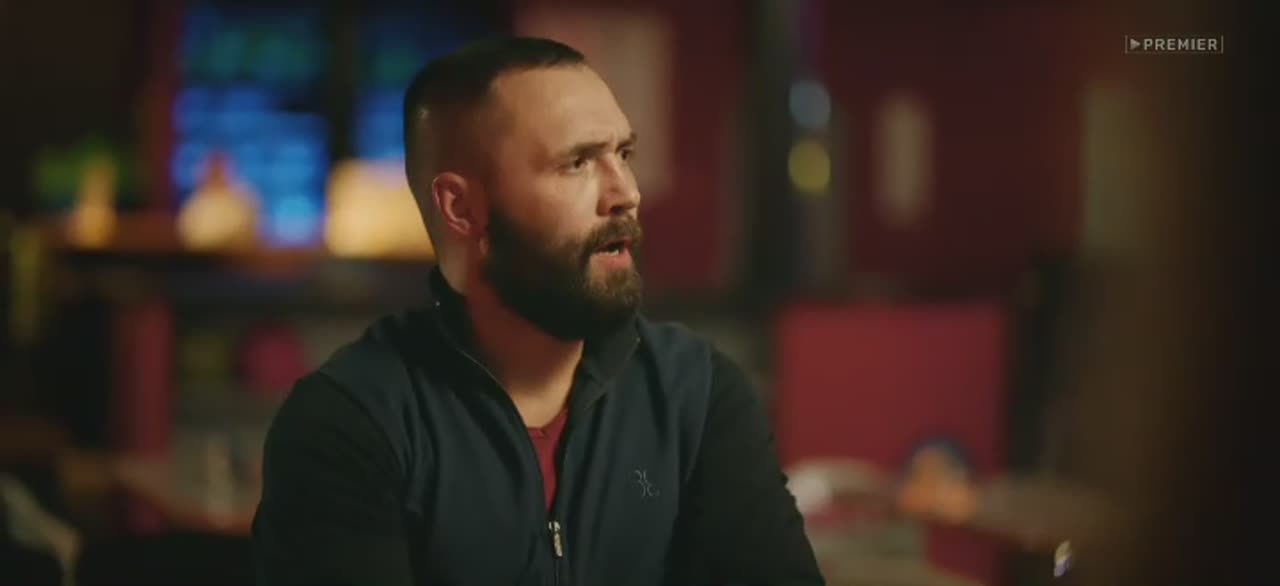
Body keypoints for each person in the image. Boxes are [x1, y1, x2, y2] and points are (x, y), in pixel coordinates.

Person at [251, 37, 823, 586]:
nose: (625, 192)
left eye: (623, 154)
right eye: (577, 163)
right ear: (461, 208)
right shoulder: (352, 421)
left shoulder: (695, 395)